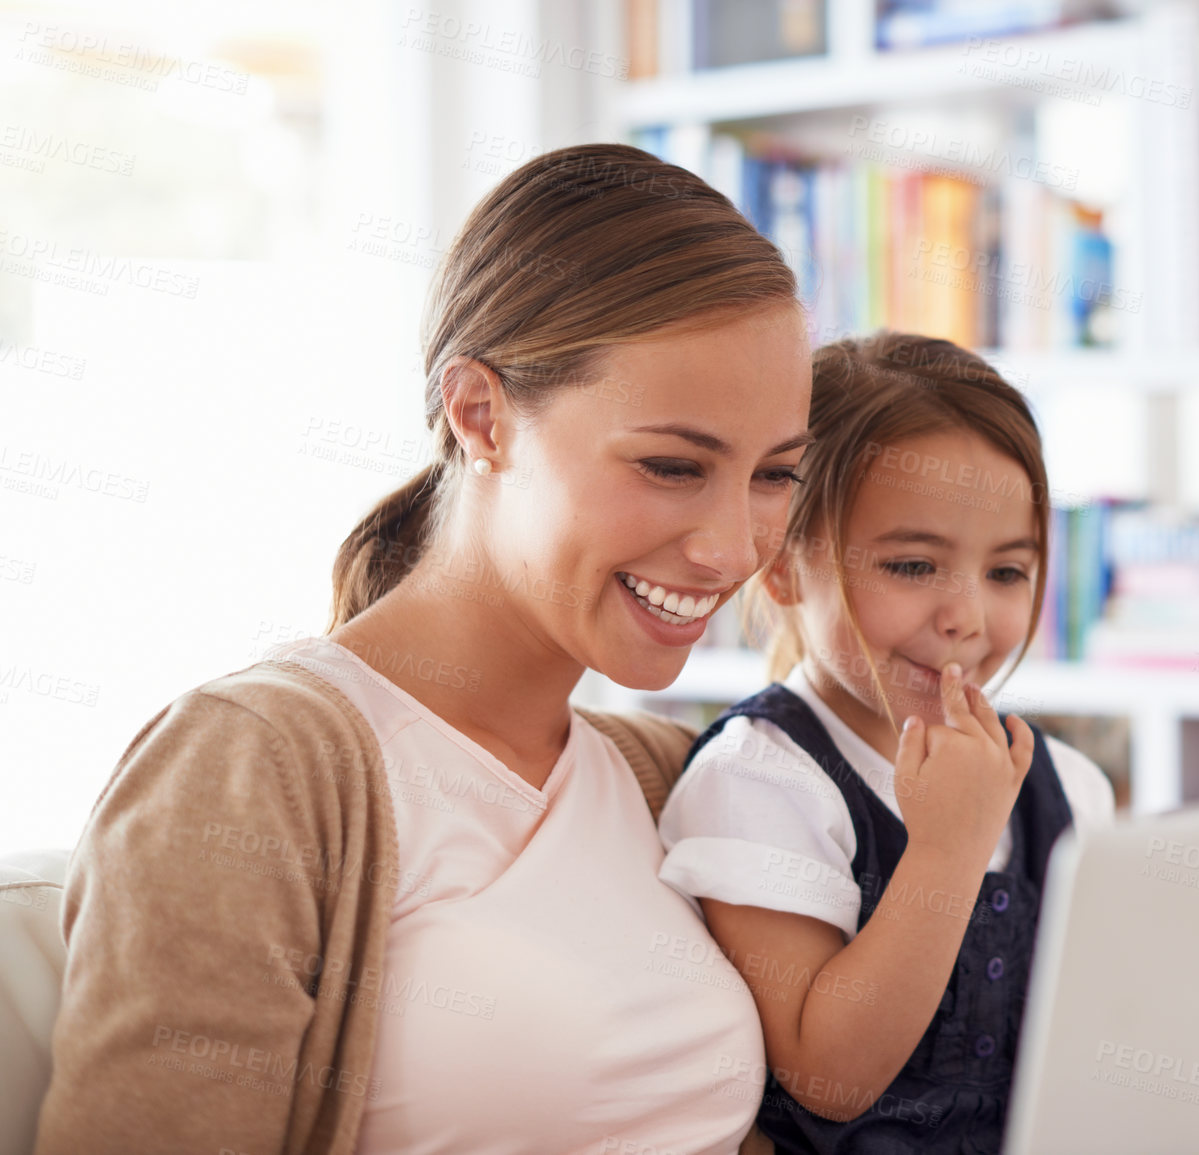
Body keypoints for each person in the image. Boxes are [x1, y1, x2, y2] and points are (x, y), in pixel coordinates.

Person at [34, 144, 812, 1155]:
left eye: (775, 475)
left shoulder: (666, 776)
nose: (731, 547)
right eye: (672, 466)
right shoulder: (253, 767)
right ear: (481, 415)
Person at [656, 332, 1117, 1153]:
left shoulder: (1068, 783)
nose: (967, 617)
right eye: (911, 565)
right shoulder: (760, 782)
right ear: (784, 567)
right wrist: (948, 848)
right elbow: (830, 1078)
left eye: (1007, 572)